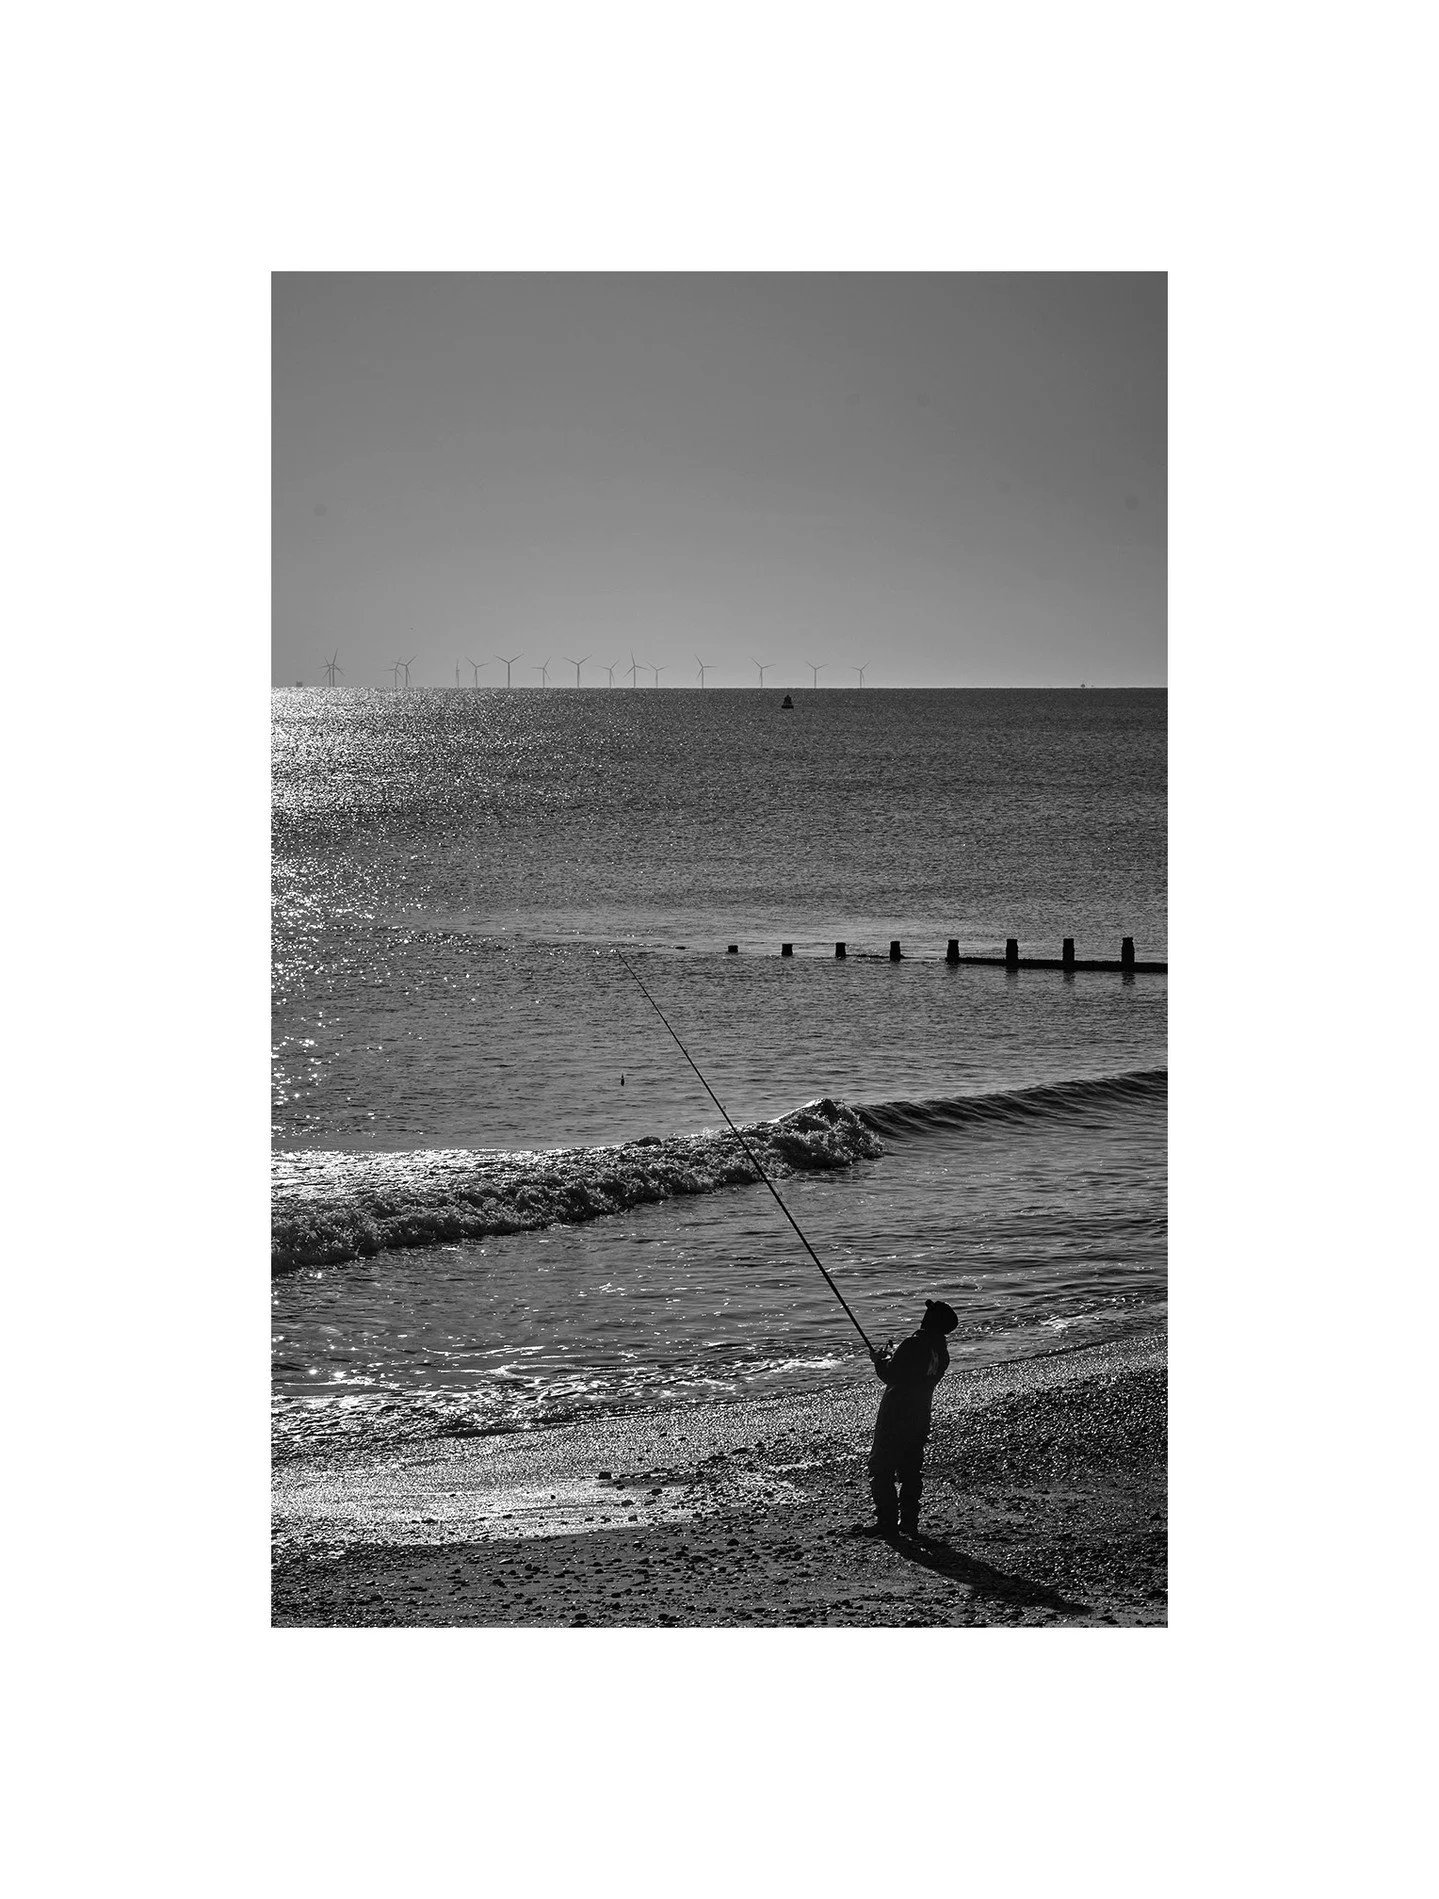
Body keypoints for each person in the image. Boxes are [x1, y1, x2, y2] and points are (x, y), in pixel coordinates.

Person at [867, 1299, 959, 1537]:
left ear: (929, 1319)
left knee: (881, 1467)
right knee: (910, 1471)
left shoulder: (913, 1343)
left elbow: (892, 1375)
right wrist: (889, 1360)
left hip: (896, 1414)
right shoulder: (941, 1351)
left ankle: (887, 1523)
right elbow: (910, 1372)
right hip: (920, 1416)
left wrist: (879, 1361)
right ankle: (909, 1522)